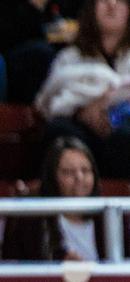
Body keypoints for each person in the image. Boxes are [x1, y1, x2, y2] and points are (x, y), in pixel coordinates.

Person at [35, 0, 130, 178]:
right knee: (59, 131)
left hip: (122, 134)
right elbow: (45, 104)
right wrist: (81, 112)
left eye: (121, 1)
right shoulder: (68, 58)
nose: (112, 4)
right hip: (82, 134)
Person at [2, 136, 127, 261]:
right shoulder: (30, 221)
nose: (79, 177)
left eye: (86, 170)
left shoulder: (112, 217)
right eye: (68, 172)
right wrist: (59, 266)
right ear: (52, 178)